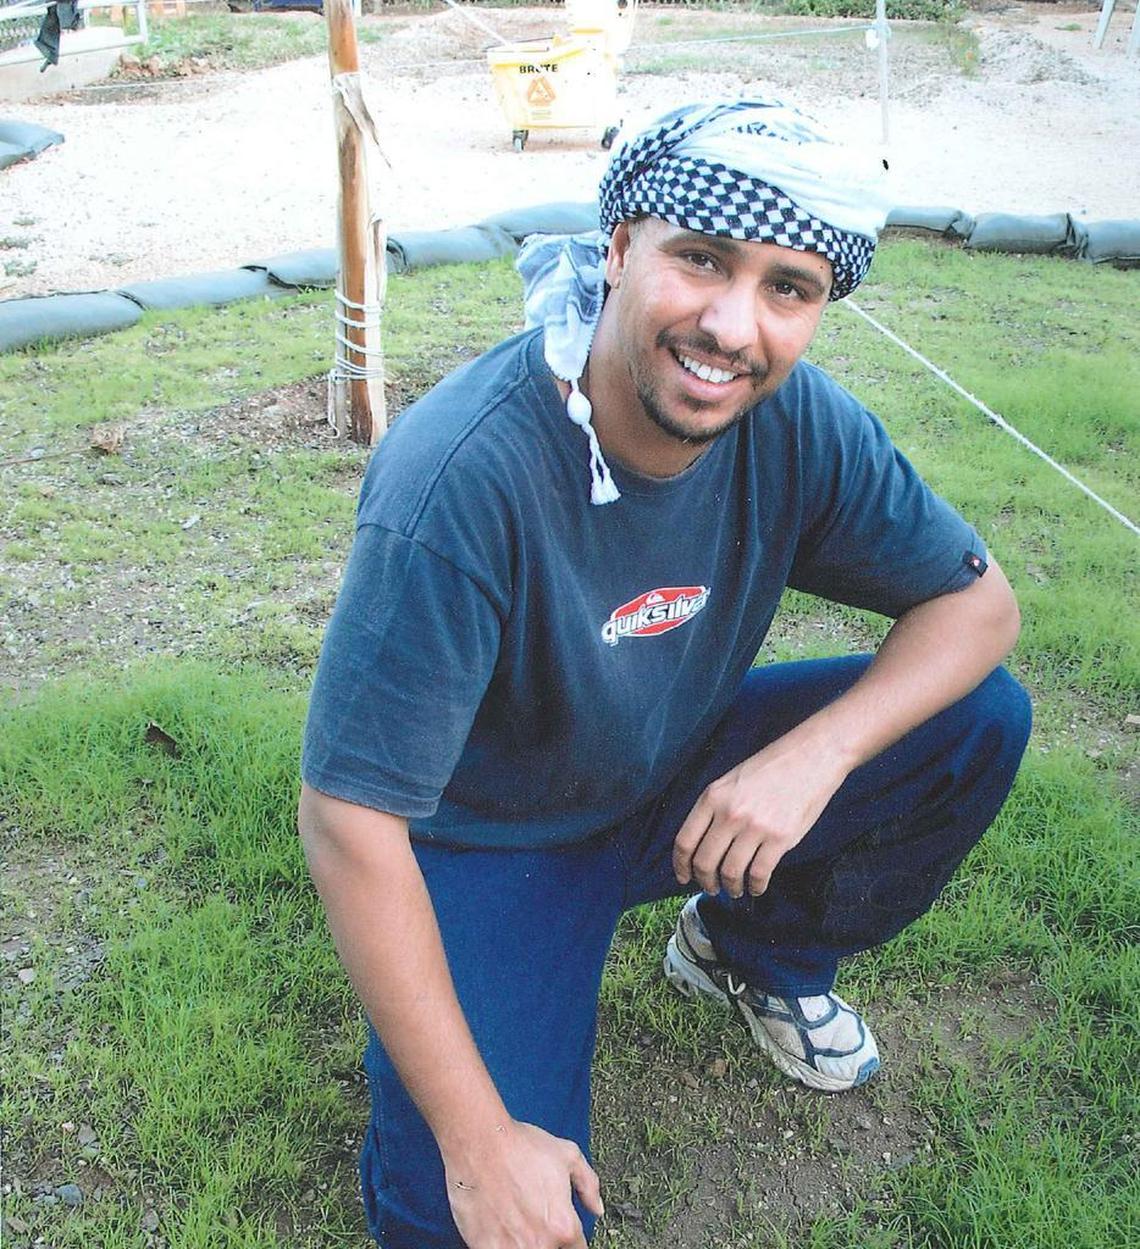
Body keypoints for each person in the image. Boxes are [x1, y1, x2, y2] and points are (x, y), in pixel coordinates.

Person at [299, 99, 1031, 1249]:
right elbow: (347, 816)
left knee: (975, 719)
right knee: (476, 1207)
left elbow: (980, 610)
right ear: (622, 244)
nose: (734, 325)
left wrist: (810, 757)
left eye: (789, 288)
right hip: (489, 844)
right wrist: (481, 1141)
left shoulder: (801, 427)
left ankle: (753, 952)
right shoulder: (461, 476)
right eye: (702, 259)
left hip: (673, 769)